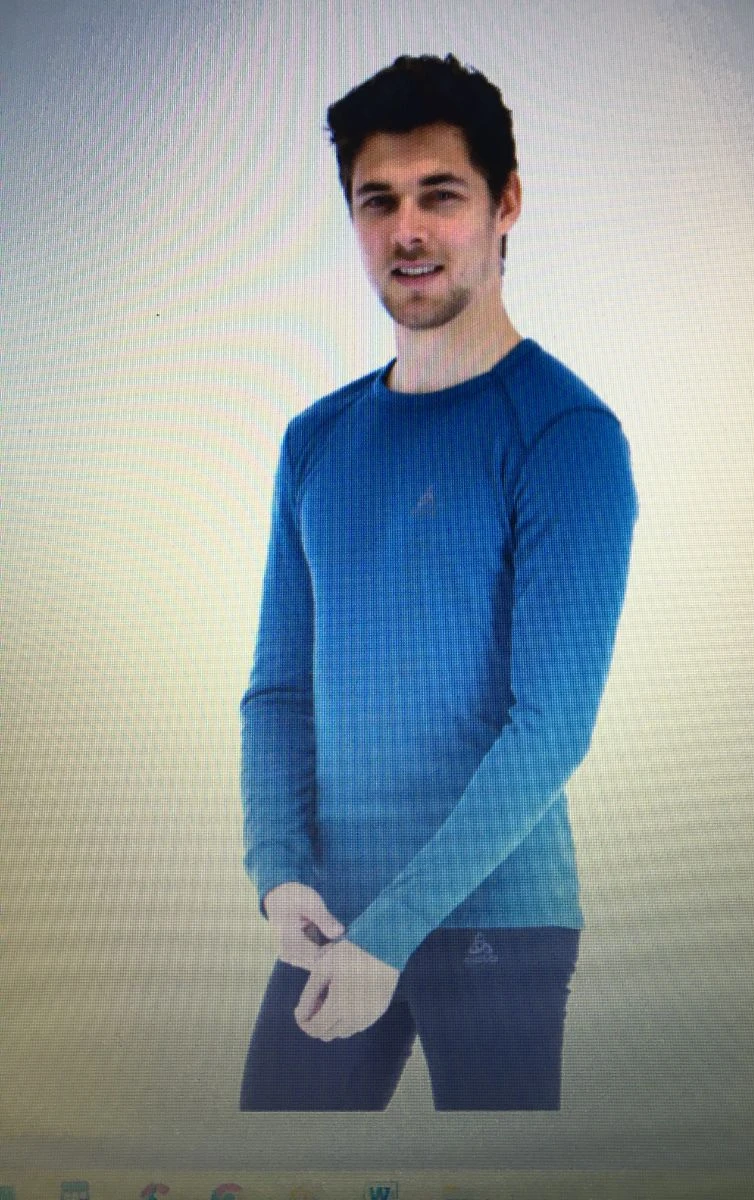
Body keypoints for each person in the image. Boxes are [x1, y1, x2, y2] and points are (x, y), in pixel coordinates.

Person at [239, 53, 637, 1111]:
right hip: (331, 919)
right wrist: (279, 872)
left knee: (493, 1178)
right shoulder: (315, 441)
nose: (406, 230)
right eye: (378, 201)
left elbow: (549, 727)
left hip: (501, 924)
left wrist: (395, 932)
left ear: (506, 204)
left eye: (440, 195)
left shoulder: (564, 434)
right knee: (264, 1166)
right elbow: (278, 692)